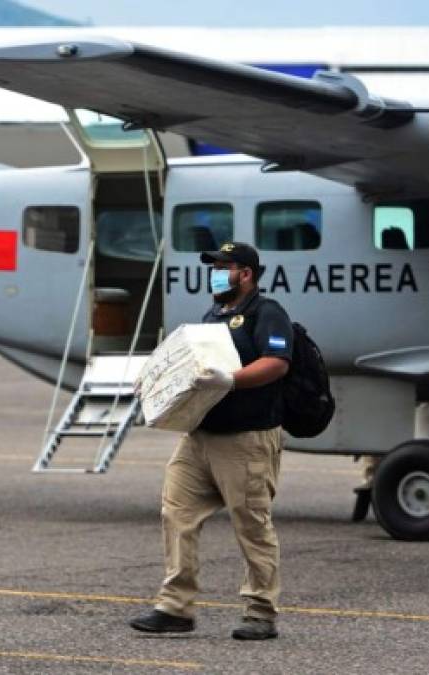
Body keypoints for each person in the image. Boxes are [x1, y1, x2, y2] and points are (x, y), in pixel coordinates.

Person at [130, 242, 292, 641]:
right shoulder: (214, 314)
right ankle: (175, 607)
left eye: (225, 267)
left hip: (246, 439)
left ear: (247, 274)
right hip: (200, 435)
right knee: (176, 512)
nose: (216, 273)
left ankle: (260, 612)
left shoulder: (266, 313)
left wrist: (232, 380)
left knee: (251, 524)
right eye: (214, 267)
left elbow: (277, 363)